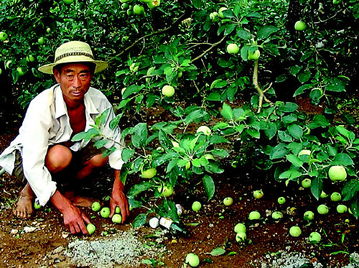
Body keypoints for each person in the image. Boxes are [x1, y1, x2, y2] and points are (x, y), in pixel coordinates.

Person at [0, 41, 129, 235]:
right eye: (69, 75)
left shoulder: (98, 100)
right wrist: (65, 210)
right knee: (60, 155)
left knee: (103, 155)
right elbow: (32, 163)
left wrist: (118, 188)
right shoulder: (42, 105)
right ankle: (28, 190)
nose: (77, 83)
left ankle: (70, 193)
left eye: (83, 75)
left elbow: (116, 143)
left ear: (91, 76)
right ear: (57, 75)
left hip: (72, 151)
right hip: (28, 161)